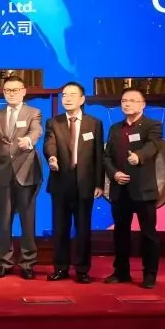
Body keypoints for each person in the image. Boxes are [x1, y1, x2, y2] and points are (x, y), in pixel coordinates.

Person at [44, 82, 104, 284]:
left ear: (82, 99)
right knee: (60, 228)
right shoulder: (54, 122)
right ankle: (60, 268)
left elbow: (98, 155)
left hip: (85, 182)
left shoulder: (94, 123)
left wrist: (99, 183)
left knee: (83, 228)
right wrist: (52, 157)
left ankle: (82, 270)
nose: (67, 98)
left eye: (72, 95)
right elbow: (49, 143)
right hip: (61, 181)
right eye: (64, 95)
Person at [103, 87, 163, 289]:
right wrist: (114, 173)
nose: (127, 104)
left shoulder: (152, 125)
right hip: (120, 189)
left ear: (143, 104)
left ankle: (150, 274)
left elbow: (153, 145)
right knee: (120, 233)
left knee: (148, 234)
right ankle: (121, 272)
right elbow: (107, 157)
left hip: (143, 190)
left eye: (132, 100)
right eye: (124, 101)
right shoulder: (115, 129)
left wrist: (139, 156)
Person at [0, 74, 43, 279]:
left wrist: (28, 140)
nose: (11, 93)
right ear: (3, 92)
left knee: (27, 221)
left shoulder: (33, 112)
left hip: (26, 172)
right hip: (3, 173)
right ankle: (5, 262)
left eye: (15, 90)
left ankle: (27, 263)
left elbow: (37, 131)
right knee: (4, 222)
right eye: (7, 90)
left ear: (23, 92)